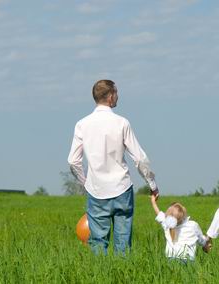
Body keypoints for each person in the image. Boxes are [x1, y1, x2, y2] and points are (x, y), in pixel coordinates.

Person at [67, 80, 158, 255]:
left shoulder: (82, 124)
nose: (118, 96)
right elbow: (139, 158)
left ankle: (101, 280)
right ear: (110, 96)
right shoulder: (122, 123)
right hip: (122, 189)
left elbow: (73, 161)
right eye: (116, 93)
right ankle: (123, 278)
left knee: (98, 243)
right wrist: (152, 184)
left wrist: (84, 182)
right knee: (123, 243)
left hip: (97, 190)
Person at [150, 196, 212, 262]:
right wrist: (207, 242)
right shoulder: (193, 225)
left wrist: (153, 201)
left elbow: (159, 214)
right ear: (183, 213)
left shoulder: (167, 224)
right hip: (188, 259)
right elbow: (201, 240)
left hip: (170, 259)